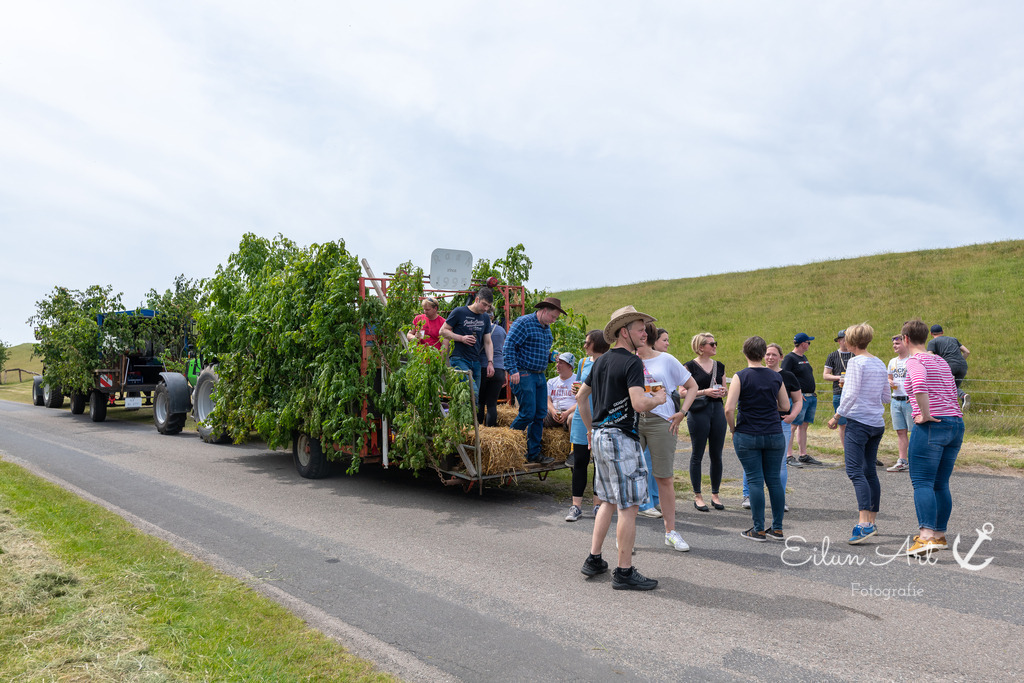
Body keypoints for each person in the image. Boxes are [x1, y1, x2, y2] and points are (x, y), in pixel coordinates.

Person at [576, 306, 667, 590]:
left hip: (601, 437)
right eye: (640, 329)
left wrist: (591, 429)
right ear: (624, 332)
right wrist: (658, 399)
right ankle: (624, 571)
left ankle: (594, 559)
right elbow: (639, 404)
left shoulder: (600, 361)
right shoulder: (632, 363)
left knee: (607, 500)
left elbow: (581, 398)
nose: (645, 333)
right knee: (629, 505)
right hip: (621, 438)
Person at [901, 318, 965, 556]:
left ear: (906, 339)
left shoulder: (914, 361)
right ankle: (938, 535)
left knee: (922, 482)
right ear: (926, 337)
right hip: (955, 423)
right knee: (941, 483)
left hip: (932, 425)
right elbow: (952, 389)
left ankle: (926, 536)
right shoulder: (940, 360)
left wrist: (925, 414)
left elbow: (919, 385)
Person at [635, 322, 697, 551]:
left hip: (661, 421)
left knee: (664, 477)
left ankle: (670, 531)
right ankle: (626, 535)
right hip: (633, 421)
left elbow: (692, 386)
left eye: (641, 332)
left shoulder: (666, 360)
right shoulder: (628, 360)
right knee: (629, 477)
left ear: (646, 336)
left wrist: (682, 413)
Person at [827, 323, 891, 545]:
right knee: (869, 471)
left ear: (851, 341)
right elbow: (886, 397)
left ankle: (863, 524)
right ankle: (871, 521)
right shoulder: (879, 362)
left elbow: (851, 394)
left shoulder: (855, 362)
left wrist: (837, 415)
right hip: (876, 423)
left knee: (855, 471)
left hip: (859, 423)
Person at [725, 336, 790, 541]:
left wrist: (733, 428)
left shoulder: (740, 376)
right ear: (763, 354)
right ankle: (777, 528)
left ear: (745, 353)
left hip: (747, 433)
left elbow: (729, 409)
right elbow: (785, 406)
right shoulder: (775, 377)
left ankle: (758, 528)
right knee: (774, 481)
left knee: (755, 480)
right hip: (774, 433)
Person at [741, 343, 802, 512]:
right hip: (756, 423)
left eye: (774, 354)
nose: (770, 357)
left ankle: (779, 499)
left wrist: (792, 416)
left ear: (781, 357)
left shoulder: (787, 376)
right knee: (752, 462)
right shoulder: (754, 373)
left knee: (780, 464)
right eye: (767, 354)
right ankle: (748, 495)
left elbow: (798, 399)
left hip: (780, 424)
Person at [505, 297, 565, 465]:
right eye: (553, 317)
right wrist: (512, 369)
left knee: (540, 414)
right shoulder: (523, 323)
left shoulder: (546, 329)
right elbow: (508, 346)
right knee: (528, 413)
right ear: (544, 311)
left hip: (539, 375)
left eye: (556, 318)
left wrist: (552, 357)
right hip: (524, 373)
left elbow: (541, 353)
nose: (554, 321)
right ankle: (506, 445)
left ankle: (533, 453)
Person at [565, 330, 609, 522]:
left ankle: (597, 505)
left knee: (600, 464)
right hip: (580, 418)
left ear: (597, 344)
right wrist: (576, 389)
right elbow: (578, 386)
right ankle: (576, 506)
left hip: (601, 417)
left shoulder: (608, 362)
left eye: (587, 342)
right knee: (580, 462)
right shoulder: (583, 362)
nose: (584, 345)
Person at [683, 332, 728, 512]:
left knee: (717, 454)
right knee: (697, 454)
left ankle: (715, 494)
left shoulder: (720, 366)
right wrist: (704, 392)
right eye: (712, 343)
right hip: (698, 412)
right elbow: (682, 392)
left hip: (717, 410)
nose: (715, 346)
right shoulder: (689, 367)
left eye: (715, 343)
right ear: (701, 347)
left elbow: (725, 388)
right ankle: (698, 495)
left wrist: (722, 392)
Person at [440, 288, 494, 396]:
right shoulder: (459, 312)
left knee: (473, 397)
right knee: (473, 392)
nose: (486, 308)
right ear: (477, 299)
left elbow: (488, 342)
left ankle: (467, 408)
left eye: (489, 306)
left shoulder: (485, 318)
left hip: (476, 360)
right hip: (459, 358)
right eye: (484, 304)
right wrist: (461, 338)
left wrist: (490, 362)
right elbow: (442, 331)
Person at [781, 333, 820, 466]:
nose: (809, 345)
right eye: (808, 342)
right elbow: (784, 377)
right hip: (799, 398)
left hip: (810, 397)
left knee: (804, 425)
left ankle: (803, 454)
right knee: (793, 426)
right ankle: (788, 455)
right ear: (803, 343)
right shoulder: (790, 358)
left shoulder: (803, 357)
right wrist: (795, 394)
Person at [886, 333, 913, 472]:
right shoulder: (892, 361)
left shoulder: (912, 360)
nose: (894, 346)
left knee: (914, 432)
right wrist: (890, 382)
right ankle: (902, 460)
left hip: (909, 400)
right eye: (893, 344)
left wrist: (914, 396)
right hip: (896, 400)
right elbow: (889, 377)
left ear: (905, 343)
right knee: (900, 431)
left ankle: (916, 461)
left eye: (897, 343)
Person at [927, 324, 971, 409]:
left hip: (948, 365)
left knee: (948, 386)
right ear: (942, 332)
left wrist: (937, 365)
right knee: (954, 387)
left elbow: (930, 355)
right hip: (963, 365)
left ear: (931, 333)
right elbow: (967, 352)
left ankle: (962, 396)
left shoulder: (932, 342)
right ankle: (961, 402)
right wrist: (960, 361)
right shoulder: (953, 339)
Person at [824, 330, 853, 444]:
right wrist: (839, 378)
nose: (847, 342)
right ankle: (847, 451)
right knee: (843, 424)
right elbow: (825, 375)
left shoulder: (855, 354)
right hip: (839, 392)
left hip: (854, 393)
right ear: (839, 341)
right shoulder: (832, 356)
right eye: (845, 340)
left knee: (855, 424)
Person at [477, 313, 506, 427]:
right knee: (492, 403)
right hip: (499, 368)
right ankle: (491, 429)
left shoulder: (478, 329)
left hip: (482, 366)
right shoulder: (501, 330)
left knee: (480, 401)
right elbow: (504, 349)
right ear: (493, 317)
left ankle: (478, 429)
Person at [545, 352, 577, 430]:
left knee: (572, 418)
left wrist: (567, 413)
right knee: (538, 415)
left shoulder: (577, 380)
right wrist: (553, 411)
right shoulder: (551, 382)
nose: (557, 365)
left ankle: (573, 438)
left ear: (570, 366)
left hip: (570, 412)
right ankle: (535, 438)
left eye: (561, 363)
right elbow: (547, 399)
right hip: (554, 413)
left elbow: (581, 401)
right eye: (557, 362)